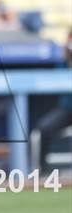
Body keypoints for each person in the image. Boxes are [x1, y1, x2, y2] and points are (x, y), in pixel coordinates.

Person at [30, 29, 72, 171]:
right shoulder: (65, 60)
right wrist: (68, 57)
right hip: (68, 109)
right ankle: (43, 169)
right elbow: (58, 78)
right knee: (44, 127)